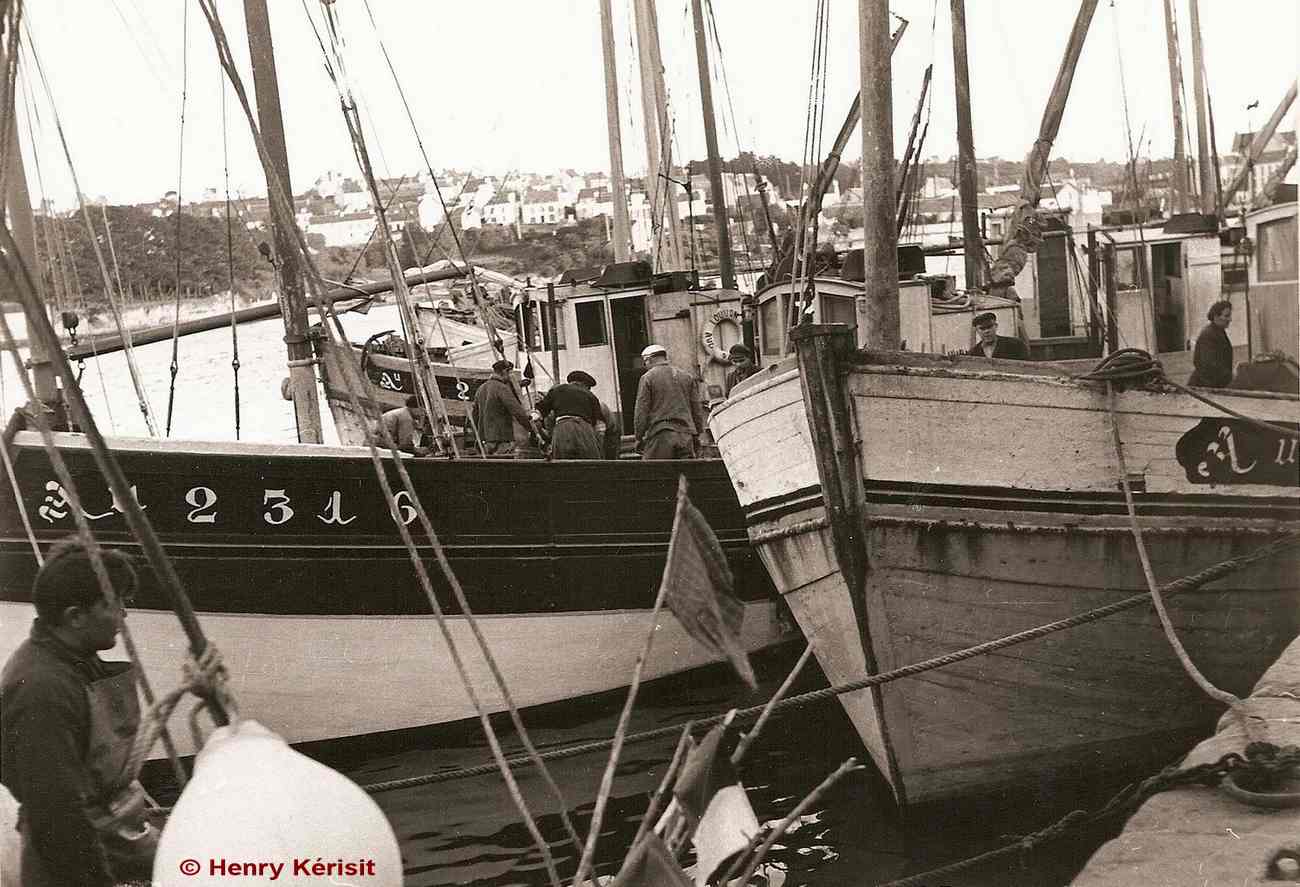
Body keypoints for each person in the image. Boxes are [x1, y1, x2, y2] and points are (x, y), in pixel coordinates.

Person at [1, 540, 158, 886]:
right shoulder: (43, 689)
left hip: (111, 838)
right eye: (113, 604)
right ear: (75, 617)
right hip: (71, 862)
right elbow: (56, 815)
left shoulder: (76, 659)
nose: (123, 615)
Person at [633, 344, 706, 460]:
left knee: (653, 470)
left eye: (645, 362)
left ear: (648, 360)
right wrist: (697, 434)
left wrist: (638, 437)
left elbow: (641, 411)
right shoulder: (686, 376)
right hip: (686, 435)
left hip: (661, 434)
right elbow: (696, 408)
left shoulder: (647, 378)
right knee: (685, 470)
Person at [472, 359, 534, 457]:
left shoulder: (481, 388)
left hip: (485, 441)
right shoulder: (502, 388)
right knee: (503, 465)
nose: (510, 377)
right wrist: (530, 428)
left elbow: (474, 415)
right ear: (505, 372)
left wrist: (479, 433)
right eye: (510, 373)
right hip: (501, 440)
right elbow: (517, 411)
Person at [535, 370, 603, 459]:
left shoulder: (557, 389)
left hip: (562, 428)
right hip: (584, 429)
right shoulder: (591, 396)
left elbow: (540, 410)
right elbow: (596, 424)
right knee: (589, 462)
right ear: (585, 385)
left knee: (562, 462)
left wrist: (536, 416)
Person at [1188, 300, 1235, 389]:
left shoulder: (1218, 332)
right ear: (1216, 317)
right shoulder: (1209, 335)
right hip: (1204, 386)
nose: (1230, 319)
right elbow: (1208, 364)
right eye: (1226, 316)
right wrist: (1230, 376)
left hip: (1213, 384)